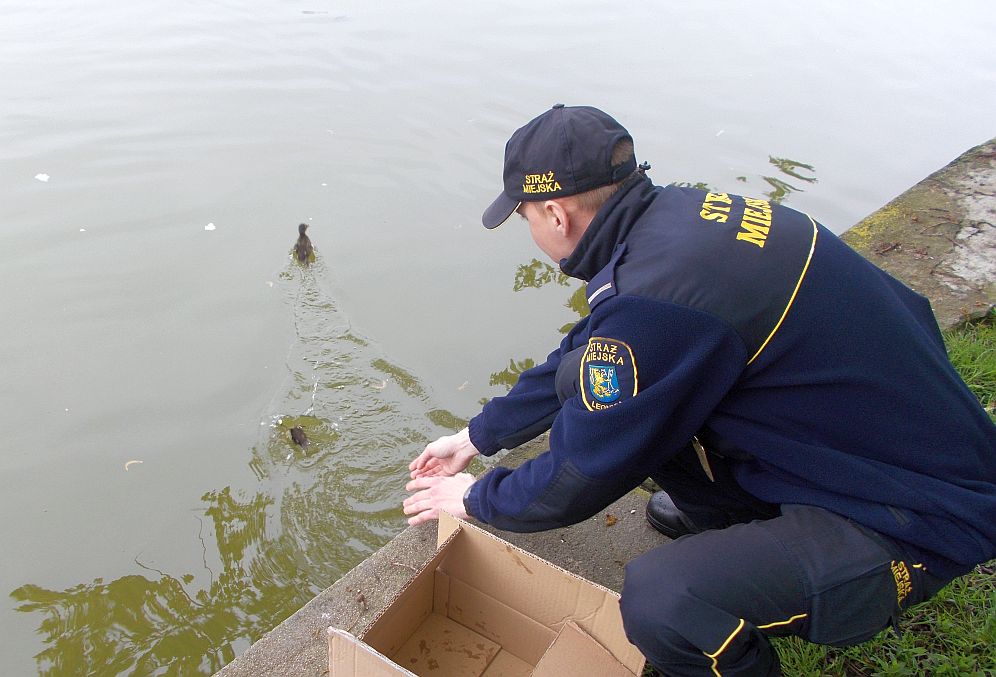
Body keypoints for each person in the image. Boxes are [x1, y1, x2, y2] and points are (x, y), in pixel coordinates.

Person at [403, 104, 996, 676]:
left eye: (525, 217)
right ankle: (736, 520)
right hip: (883, 440)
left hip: (913, 513)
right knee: (611, 396)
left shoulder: (659, 304)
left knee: (664, 601)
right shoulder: (679, 221)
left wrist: (474, 500)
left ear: (556, 215)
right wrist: (477, 437)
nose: (530, 230)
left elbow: (578, 476)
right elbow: (587, 353)